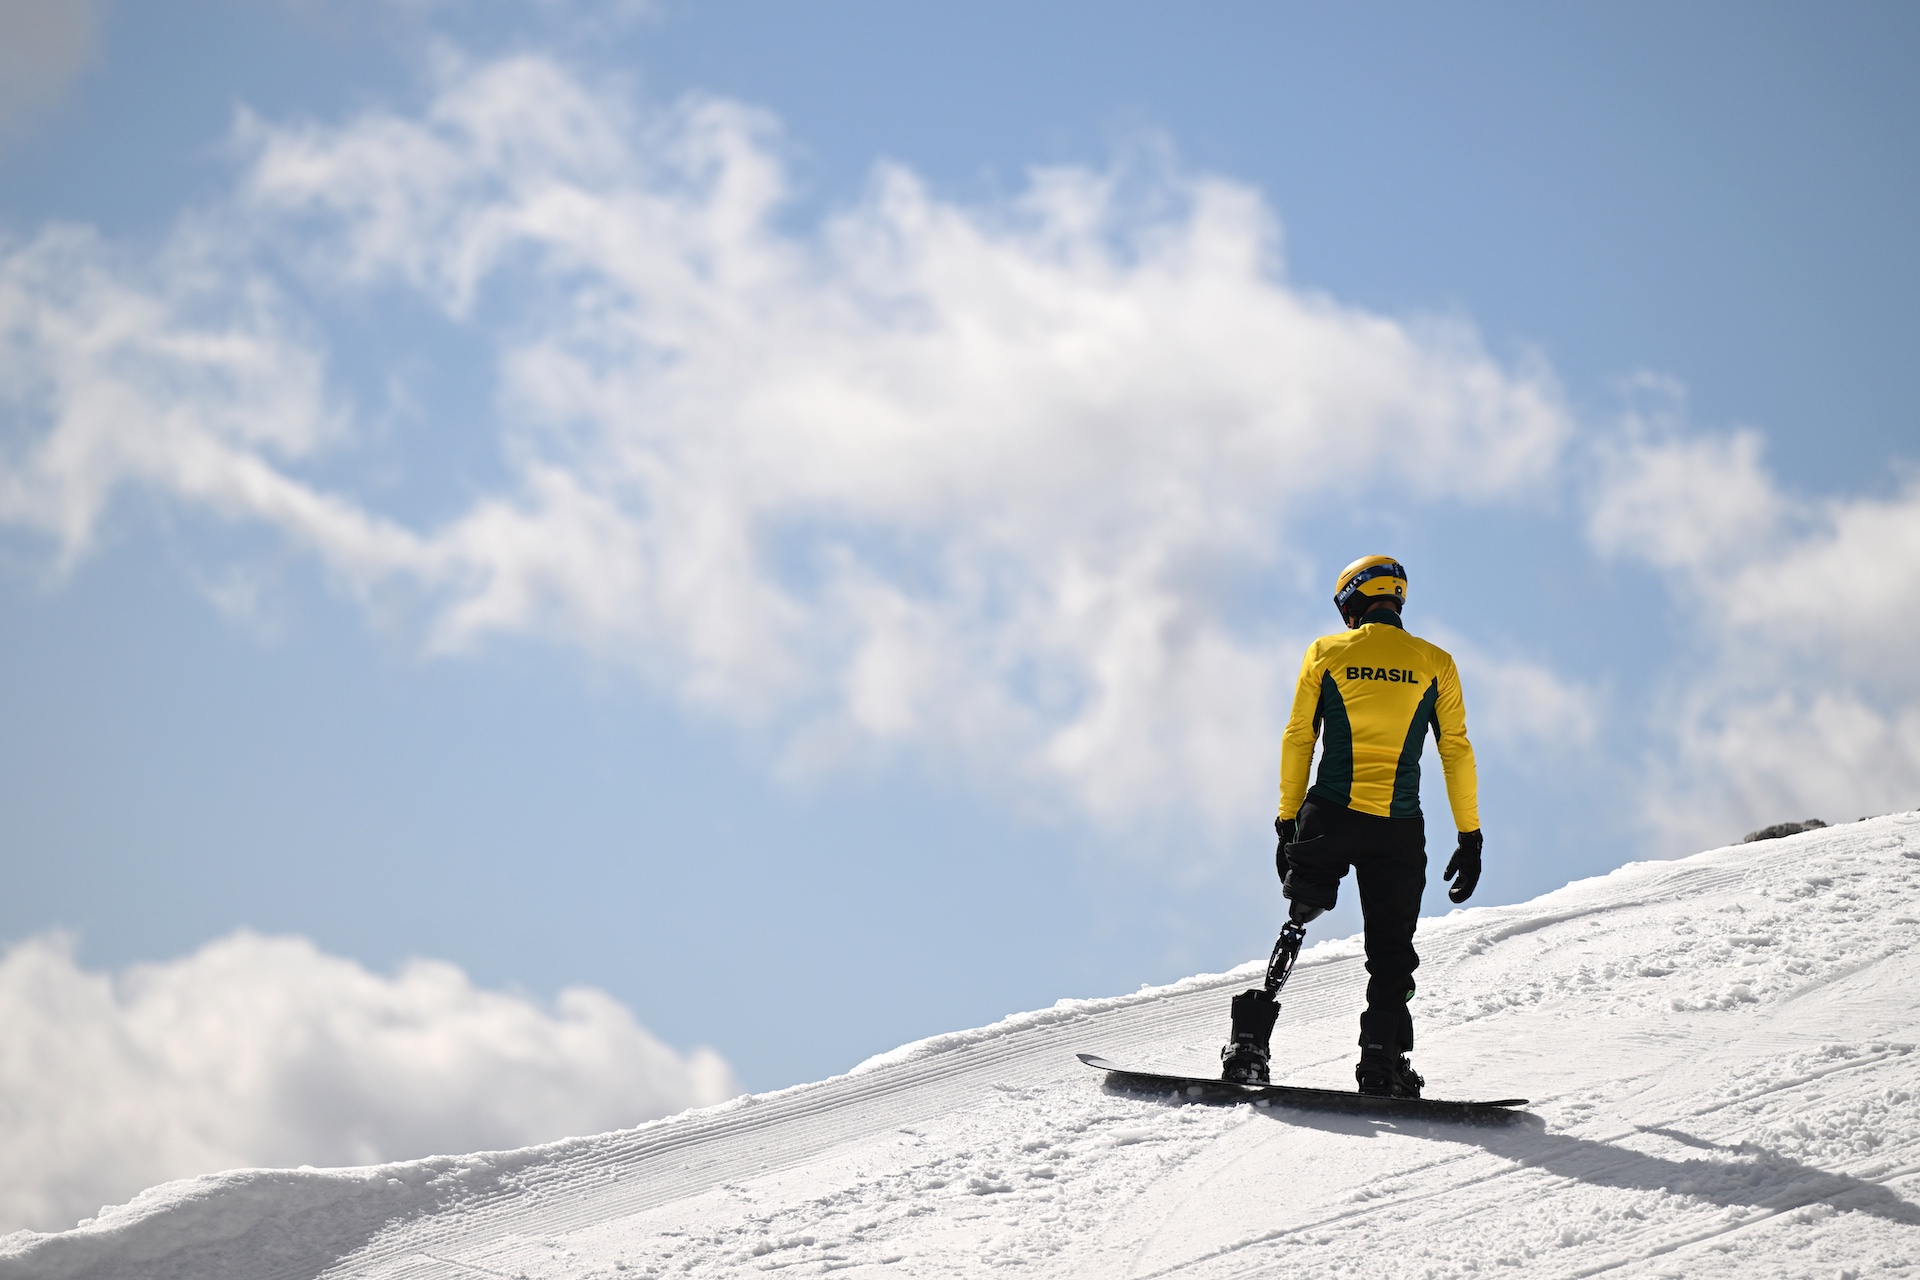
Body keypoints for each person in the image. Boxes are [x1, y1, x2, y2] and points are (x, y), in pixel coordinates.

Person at [1220, 556, 1483, 1097]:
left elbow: (1299, 736)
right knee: (1392, 952)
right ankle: (1381, 1062)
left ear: (1352, 601)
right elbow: (1454, 750)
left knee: (1299, 918)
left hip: (1330, 814)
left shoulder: (1326, 653)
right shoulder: (1438, 663)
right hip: (1399, 828)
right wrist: (1470, 835)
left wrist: (1286, 819)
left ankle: (1249, 1046)